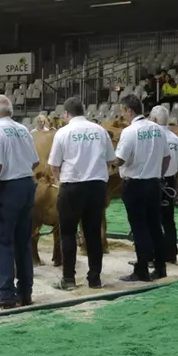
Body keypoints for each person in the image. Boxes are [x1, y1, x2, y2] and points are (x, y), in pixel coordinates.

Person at [47, 97, 116, 290]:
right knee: (93, 233)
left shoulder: (63, 132)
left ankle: (68, 279)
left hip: (72, 186)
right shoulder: (100, 131)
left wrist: (60, 182)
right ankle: (95, 279)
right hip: (96, 186)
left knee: (67, 233)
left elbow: (53, 166)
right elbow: (111, 160)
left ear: (67, 114)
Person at [0, 95, 39, 308]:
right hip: (26, 186)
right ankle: (25, 293)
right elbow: (35, 161)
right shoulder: (22, 129)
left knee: (2, 242)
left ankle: (6, 295)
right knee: (23, 242)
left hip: (6, 188)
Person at [116, 94, 171, 282]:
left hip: (135, 184)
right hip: (154, 183)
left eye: (123, 111)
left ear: (129, 111)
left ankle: (141, 269)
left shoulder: (130, 131)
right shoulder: (158, 129)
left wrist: (108, 161)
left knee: (139, 228)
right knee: (155, 226)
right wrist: (160, 175)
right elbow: (166, 157)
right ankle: (161, 267)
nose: (122, 115)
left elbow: (120, 160)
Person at [149, 105, 178, 263]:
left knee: (152, 220)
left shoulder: (151, 138)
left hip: (152, 181)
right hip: (170, 181)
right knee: (168, 219)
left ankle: (153, 255)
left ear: (155, 119)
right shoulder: (175, 139)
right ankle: (171, 254)